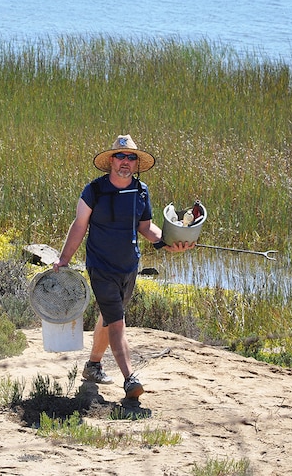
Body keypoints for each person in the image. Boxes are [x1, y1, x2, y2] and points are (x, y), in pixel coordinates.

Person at [53, 134, 194, 400]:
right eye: (120, 157)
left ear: (136, 163)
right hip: (100, 266)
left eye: (131, 158)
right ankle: (130, 380)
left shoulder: (141, 191)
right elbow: (79, 225)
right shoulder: (94, 190)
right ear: (110, 162)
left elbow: (145, 227)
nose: (125, 162)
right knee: (118, 322)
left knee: (108, 318)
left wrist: (168, 241)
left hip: (129, 266)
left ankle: (93, 366)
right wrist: (64, 259)